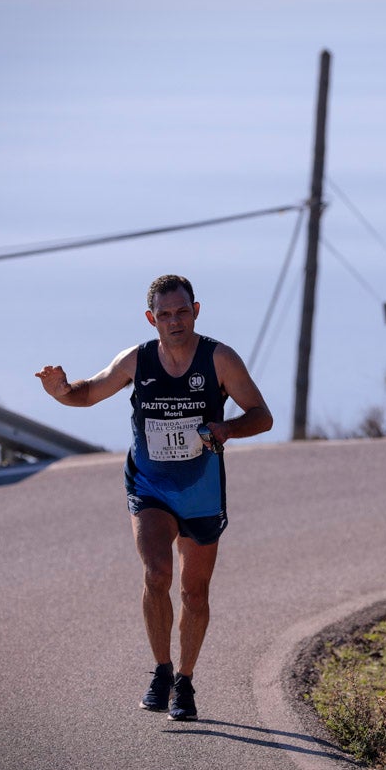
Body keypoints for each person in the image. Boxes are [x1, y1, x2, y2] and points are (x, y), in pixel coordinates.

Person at [36, 274, 272, 720]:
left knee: (194, 591)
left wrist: (228, 428)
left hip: (202, 489)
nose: (174, 321)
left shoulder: (219, 359)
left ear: (196, 311)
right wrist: (61, 392)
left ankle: (185, 682)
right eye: (164, 314)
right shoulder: (137, 359)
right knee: (157, 573)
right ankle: (161, 671)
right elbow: (88, 393)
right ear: (151, 319)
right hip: (150, 485)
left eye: (182, 311)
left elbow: (262, 416)